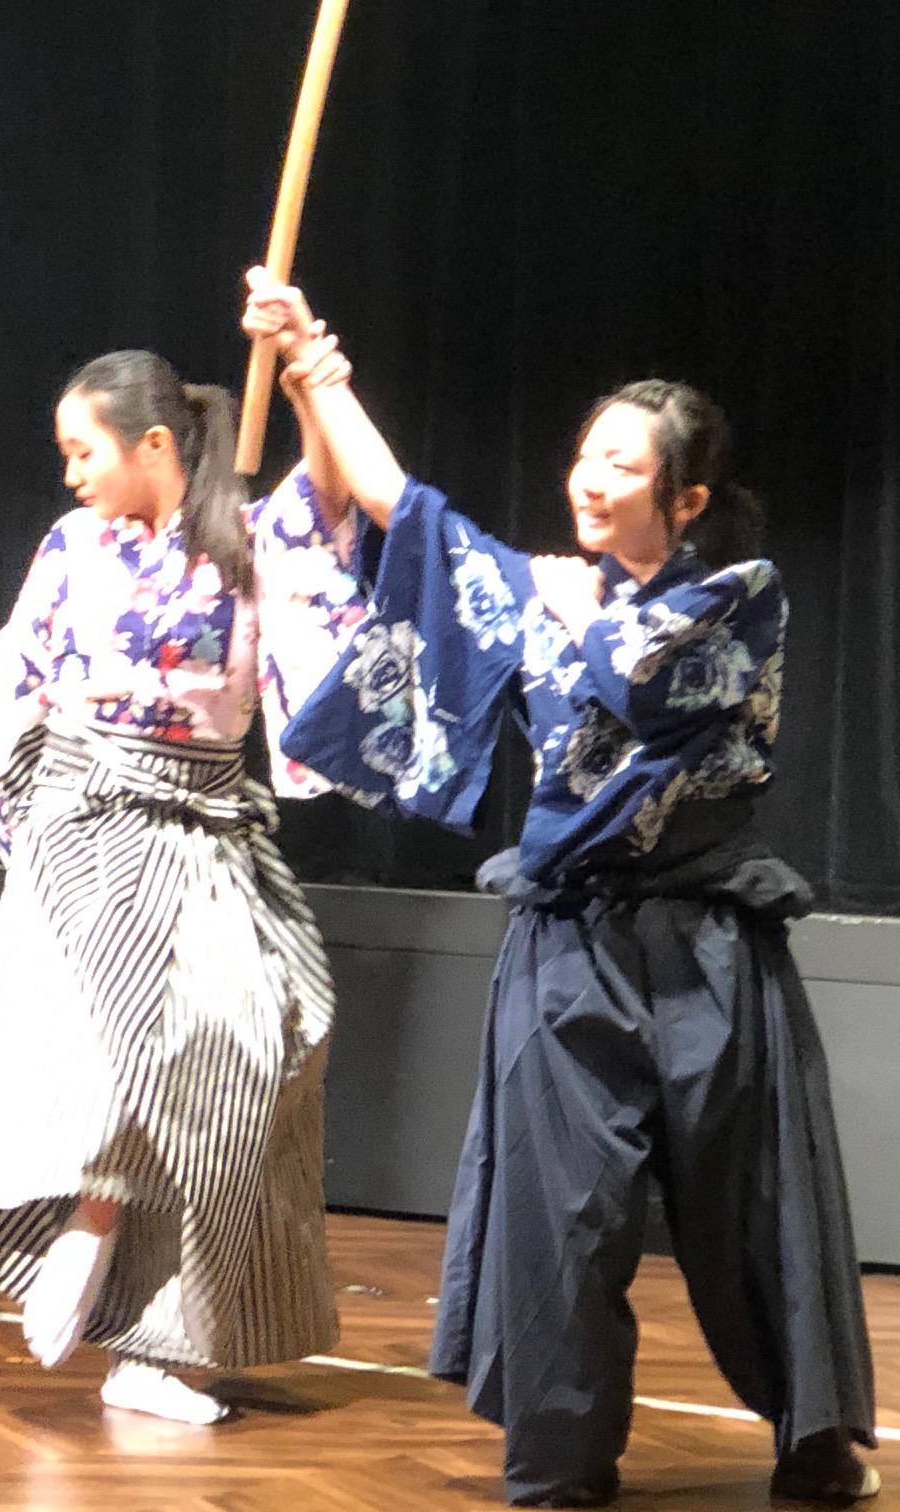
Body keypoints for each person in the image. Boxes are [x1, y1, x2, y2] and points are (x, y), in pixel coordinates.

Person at [245, 272, 879, 1507]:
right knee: (561, 1214)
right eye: (587, 456)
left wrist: (571, 606)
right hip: (568, 942)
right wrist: (312, 360)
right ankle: (557, 1461)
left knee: (749, 1213)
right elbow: (402, 508)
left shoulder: (739, 599)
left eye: (623, 468)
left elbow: (648, 685)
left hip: (705, 946)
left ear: (686, 500)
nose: (589, 481)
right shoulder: (545, 591)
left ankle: (811, 1438)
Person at [0, 347, 368, 1424]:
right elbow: (22, 661)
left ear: (153, 444)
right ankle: (90, 1214)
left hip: (206, 824)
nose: (70, 474)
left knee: (253, 1053)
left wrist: (305, 378)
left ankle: (161, 1349)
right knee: (120, 1038)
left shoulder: (249, 537)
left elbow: (330, 501)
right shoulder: (76, 544)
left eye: (83, 451)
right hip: (90, 817)